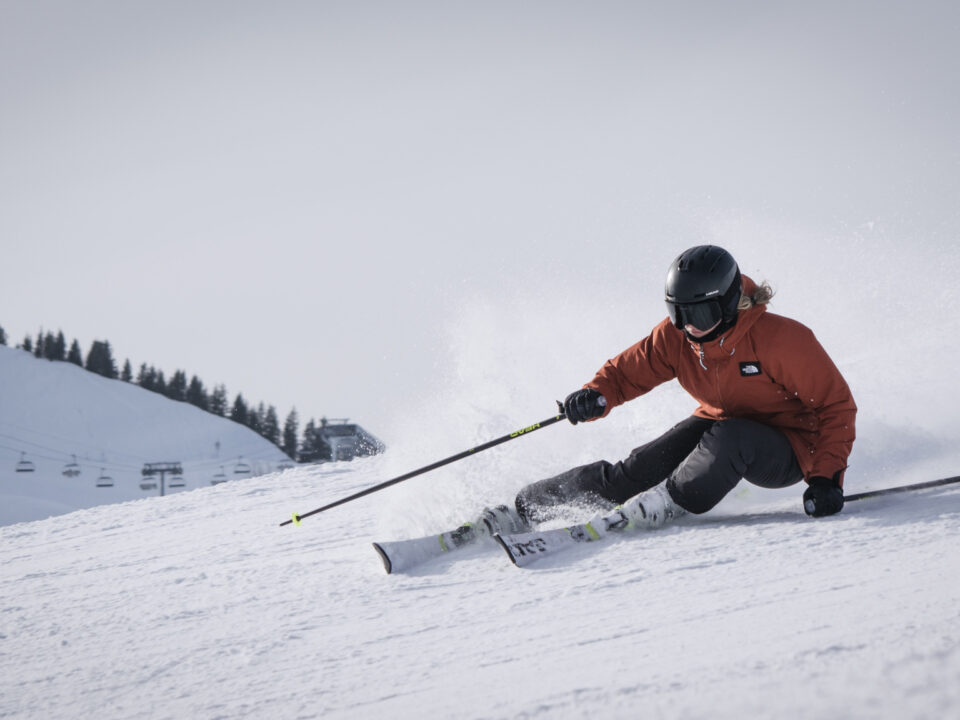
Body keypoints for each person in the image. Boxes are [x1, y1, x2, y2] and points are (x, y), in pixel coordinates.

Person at [484, 245, 856, 535]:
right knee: (635, 471)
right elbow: (627, 373)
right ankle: (526, 508)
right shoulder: (676, 338)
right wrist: (596, 394)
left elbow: (835, 407)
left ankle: (667, 501)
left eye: (701, 315)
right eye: (679, 314)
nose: (690, 327)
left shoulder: (782, 340)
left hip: (789, 447)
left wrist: (826, 479)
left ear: (727, 305)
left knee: (732, 435)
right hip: (719, 424)